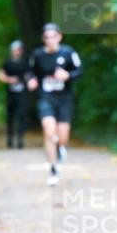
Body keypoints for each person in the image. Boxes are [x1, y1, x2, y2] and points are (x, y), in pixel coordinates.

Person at [26, 23, 82, 186]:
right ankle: (53, 168)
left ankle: (60, 148)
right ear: (43, 39)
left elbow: (79, 70)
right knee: (49, 132)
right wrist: (31, 80)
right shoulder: (37, 55)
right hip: (46, 97)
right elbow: (31, 72)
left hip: (64, 98)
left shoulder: (68, 52)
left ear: (59, 36)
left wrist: (67, 75)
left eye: (53, 36)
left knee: (62, 136)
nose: (50, 40)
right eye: (47, 37)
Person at [0, 40, 29, 149]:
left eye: (19, 49)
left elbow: (29, 75)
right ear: (12, 50)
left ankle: (20, 139)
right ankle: (10, 139)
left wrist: (28, 81)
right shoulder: (7, 63)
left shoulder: (25, 63)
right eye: (16, 49)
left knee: (21, 116)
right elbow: (0, 75)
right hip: (11, 94)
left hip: (22, 94)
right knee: (10, 117)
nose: (17, 51)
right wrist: (9, 79)